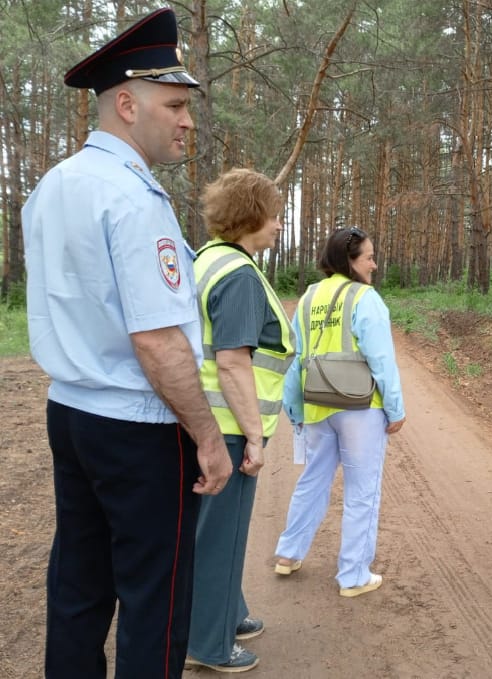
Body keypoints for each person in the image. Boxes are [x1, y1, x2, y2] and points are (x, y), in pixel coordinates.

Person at [21, 8, 233, 678]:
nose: (187, 120)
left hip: (71, 412)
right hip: (137, 425)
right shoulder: (137, 199)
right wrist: (204, 434)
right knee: (155, 598)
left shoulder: (53, 186)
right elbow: (160, 342)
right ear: (124, 102)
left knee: (78, 583)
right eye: (173, 104)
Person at [184, 169, 296, 672]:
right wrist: (254, 436)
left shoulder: (208, 259)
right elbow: (232, 361)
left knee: (212, 532)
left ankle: (227, 610)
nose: (279, 224)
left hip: (207, 418)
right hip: (228, 427)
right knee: (220, 537)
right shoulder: (239, 275)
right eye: (274, 214)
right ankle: (207, 642)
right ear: (252, 216)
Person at [274, 227, 406, 597]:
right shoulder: (366, 299)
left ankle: (288, 553)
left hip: (317, 402)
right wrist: (395, 408)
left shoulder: (309, 297)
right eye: (368, 257)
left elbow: (296, 357)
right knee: (362, 490)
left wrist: (295, 407)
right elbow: (381, 360)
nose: (374, 264)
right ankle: (353, 575)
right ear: (349, 262)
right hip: (360, 407)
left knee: (313, 480)